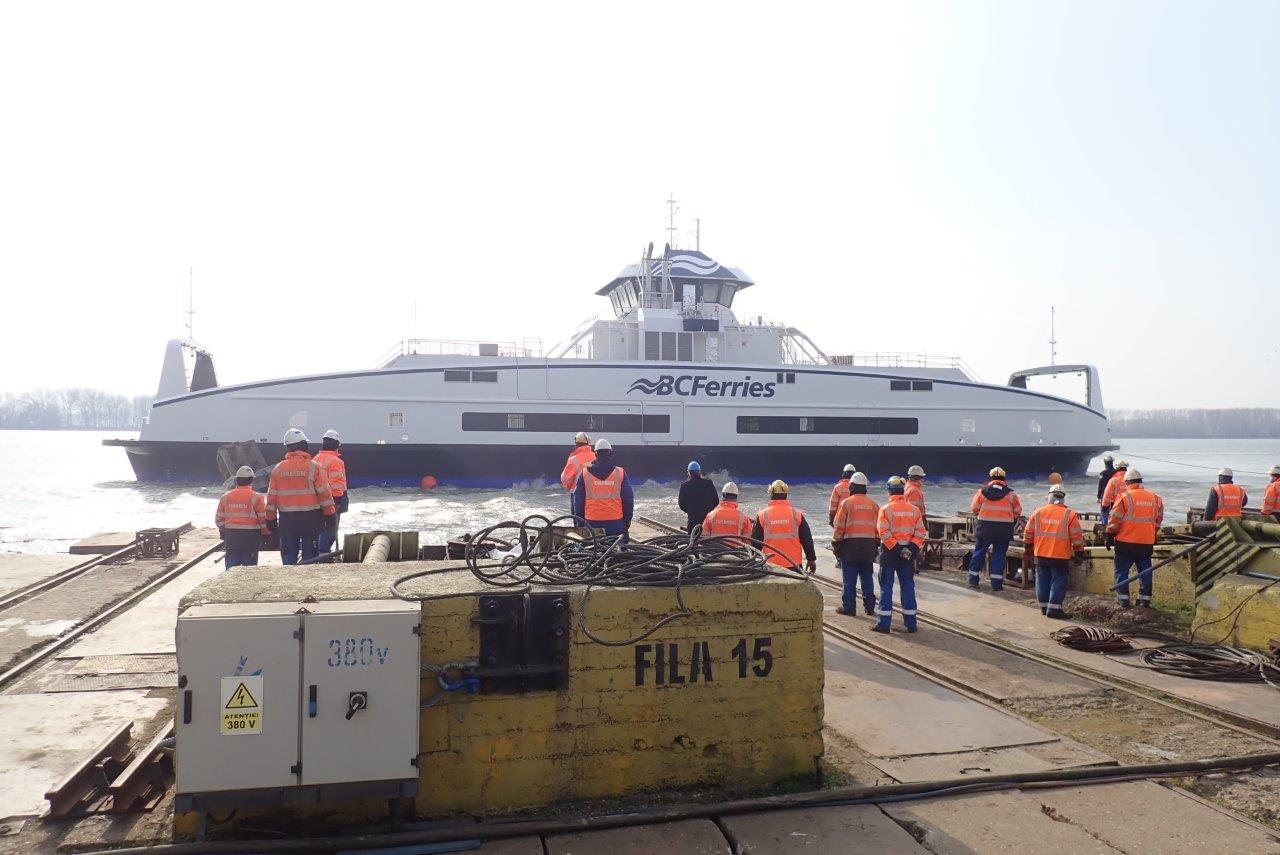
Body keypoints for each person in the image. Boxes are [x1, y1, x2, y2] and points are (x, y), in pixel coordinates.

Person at [266, 428, 336, 565]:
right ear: (303, 445)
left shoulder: (278, 469)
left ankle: (289, 582)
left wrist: (271, 520)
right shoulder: (314, 467)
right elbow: (325, 495)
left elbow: (271, 499)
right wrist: (330, 516)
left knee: (288, 557)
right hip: (310, 519)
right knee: (310, 557)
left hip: (287, 520)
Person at [1023, 483, 1086, 619]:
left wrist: (1028, 547)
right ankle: (1055, 609)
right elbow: (1077, 537)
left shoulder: (1037, 512)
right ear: (1063, 498)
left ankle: (1044, 607)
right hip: (1060, 555)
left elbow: (1028, 532)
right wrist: (1079, 553)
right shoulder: (1070, 515)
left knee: (1042, 579)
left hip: (1040, 553)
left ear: (1049, 497)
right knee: (1058, 580)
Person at [873, 476, 926, 634]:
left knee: (886, 587)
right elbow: (920, 533)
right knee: (908, 587)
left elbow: (883, 532)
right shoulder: (914, 510)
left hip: (890, 553)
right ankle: (911, 624)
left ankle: (883, 624)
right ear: (903, 491)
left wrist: (897, 549)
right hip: (908, 554)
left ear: (889, 491)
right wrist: (909, 549)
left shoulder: (886, 509)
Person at [1105, 468, 1164, 608]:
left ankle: (1123, 599)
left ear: (1128, 482)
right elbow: (1158, 520)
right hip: (1146, 543)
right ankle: (1145, 600)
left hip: (1125, 542)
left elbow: (1114, 519)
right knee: (1145, 571)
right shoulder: (1155, 498)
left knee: (1122, 571)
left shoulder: (1124, 497)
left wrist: (1109, 535)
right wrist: (1153, 535)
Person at [831, 472, 878, 616]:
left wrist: (836, 543)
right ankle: (869, 607)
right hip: (869, 546)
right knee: (867, 578)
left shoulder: (847, 503)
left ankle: (849, 608)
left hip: (850, 546)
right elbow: (879, 527)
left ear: (852, 486)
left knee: (849, 579)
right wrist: (876, 544)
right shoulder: (873, 504)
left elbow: (839, 526)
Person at [968, 467, 1022, 591]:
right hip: (1003, 529)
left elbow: (975, 509)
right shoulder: (1011, 494)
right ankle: (996, 584)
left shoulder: (982, 492)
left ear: (991, 478)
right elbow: (1017, 511)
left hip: (984, 528)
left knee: (979, 552)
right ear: (1004, 478)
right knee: (999, 555)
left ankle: (973, 581)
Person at [573, 438, 633, 542]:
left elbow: (578, 501)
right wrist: (627, 521)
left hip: (591, 523)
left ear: (595, 454)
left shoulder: (585, 473)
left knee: (592, 550)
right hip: (615, 522)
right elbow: (628, 500)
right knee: (619, 549)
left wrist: (580, 523)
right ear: (610, 453)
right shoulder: (620, 473)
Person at [751, 480, 817, 572]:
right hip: (794, 565)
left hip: (771, 565)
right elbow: (807, 540)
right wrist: (811, 559)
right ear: (786, 495)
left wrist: (753, 562)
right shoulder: (797, 514)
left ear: (771, 495)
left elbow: (755, 543)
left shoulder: (762, 515)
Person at [215, 465, 270, 569]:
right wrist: (266, 534)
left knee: (231, 567)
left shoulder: (226, 497)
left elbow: (219, 519)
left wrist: (223, 531)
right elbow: (263, 519)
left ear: (236, 480)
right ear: (252, 480)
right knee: (249, 568)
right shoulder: (257, 497)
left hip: (232, 536)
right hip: (250, 537)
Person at [314, 429, 348, 554]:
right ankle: (324, 552)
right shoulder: (335, 461)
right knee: (331, 529)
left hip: (317, 500)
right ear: (337, 445)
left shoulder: (315, 459)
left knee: (321, 527)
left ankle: (319, 551)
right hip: (333, 500)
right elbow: (337, 484)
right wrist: (337, 502)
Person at [678, 461, 719, 532]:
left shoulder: (684, 486)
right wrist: (708, 510)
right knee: (707, 541)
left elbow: (681, 504)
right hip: (707, 520)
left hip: (692, 521)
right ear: (699, 472)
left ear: (689, 472)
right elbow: (716, 501)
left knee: (693, 540)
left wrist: (691, 511)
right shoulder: (708, 483)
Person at [560, 432, 596, 509]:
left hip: (577, 494)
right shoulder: (596, 457)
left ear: (576, 444)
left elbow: (565, 479)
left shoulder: (573, 459)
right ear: (588, 444)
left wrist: (569, 487)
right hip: (594, 493)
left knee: (578, 519)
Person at [1100, 459, 1129, 526]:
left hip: (1116, 505)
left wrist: (1104, 506)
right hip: (1131, 506)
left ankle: (1106, 527)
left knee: (1115, 523)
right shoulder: (1132, 479)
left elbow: (1107, 495)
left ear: (1117, 469)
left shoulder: (1113, 480)